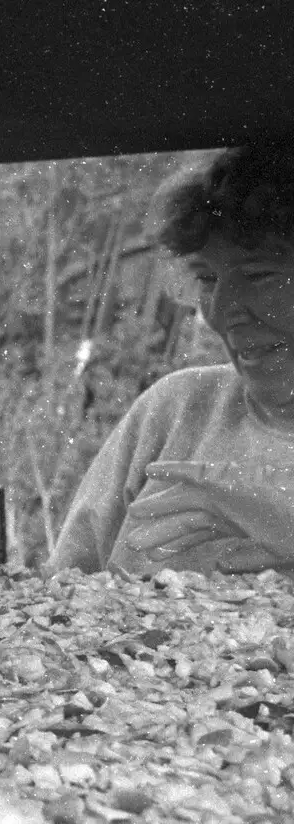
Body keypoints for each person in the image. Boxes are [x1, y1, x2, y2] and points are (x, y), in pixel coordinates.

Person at [51, 140, 294, 576]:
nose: (222, 310)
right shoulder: (175, 409)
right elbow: (55, 603)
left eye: (260, 275)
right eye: (207, 278)